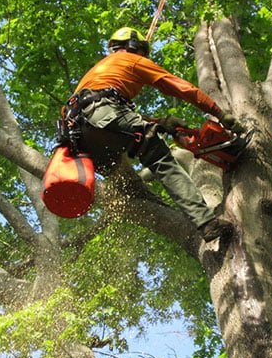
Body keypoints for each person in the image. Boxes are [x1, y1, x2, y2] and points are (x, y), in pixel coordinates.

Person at [63, 27, 244, 242]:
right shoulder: (133, 60)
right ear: (134, 47)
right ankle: (206, 222)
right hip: (104, 115)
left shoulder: (98, 73)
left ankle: (148, 202)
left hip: (80, 139)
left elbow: (114, 119)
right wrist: (219, 113)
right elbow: (180, 87)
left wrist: (162, 124)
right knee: (159, 158)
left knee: (130, 179)